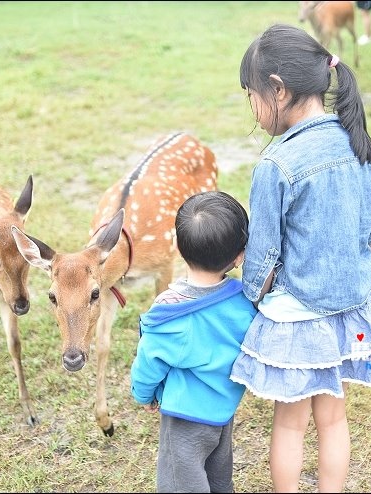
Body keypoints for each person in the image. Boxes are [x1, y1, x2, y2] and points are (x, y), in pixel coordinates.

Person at [229, 23, 371, 493]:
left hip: (298, 317)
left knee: (289, 425)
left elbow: (264, 255)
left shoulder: (275, 164)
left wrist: (249, 298)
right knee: (333, 419)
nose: (253, 108)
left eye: (252, 95)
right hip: (352, 308)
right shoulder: (358, 142)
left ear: (278, 90)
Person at [130, 190, 257, 493]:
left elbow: (149, 361)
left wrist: (143, 394)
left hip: (185, 419)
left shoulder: (172, 313)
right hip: (222, 412)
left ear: (177, 245)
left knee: (181, 485)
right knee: (218, 480)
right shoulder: (243, 301)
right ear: (239, 256)